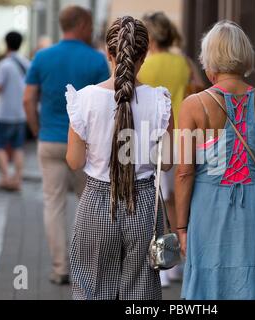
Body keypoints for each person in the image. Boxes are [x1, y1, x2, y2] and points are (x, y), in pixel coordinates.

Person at [175, 21, 255, 300]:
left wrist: (181, 227)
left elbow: (184, 172)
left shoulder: (194, 105)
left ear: (210, 60)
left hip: (209, 207)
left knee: (210, 289)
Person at [66, 16, 174, 300]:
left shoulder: (84, 99)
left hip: (97, 202)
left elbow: (75, 162)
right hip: (144, 204)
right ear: (145, 55)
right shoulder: (160, 101)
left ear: (108, 53)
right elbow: (169, 160)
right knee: (141, 291)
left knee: (91, 287)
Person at [24, 5, 110, 285]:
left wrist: (37, 129)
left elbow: (28, 98)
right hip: (85, 146)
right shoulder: (96, 60)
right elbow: (106, 101)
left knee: (53, 205)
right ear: (83, 24)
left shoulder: (42, 56)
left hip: (49, 140)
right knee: (91, 205)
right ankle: (91, 266)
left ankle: (60, 267)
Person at [137, 12, 192, 287]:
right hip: (185, 135)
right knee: (177, 201)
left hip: (152, 138)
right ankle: (177, 260)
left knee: (158, 200)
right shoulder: (183, 62)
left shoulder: (145, 65)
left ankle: (164, 262)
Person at [0, 31, 29, 191]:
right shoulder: (27, 63)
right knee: (17, 148)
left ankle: (6, 177)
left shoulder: (5, 64)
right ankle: (17, 180)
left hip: (4, 112)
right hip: (21, 113)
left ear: (6, 43)